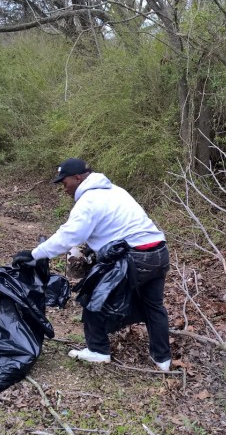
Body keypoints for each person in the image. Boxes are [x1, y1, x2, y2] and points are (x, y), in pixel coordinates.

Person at [12, 158, 172, 371]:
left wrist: (35, 254)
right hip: (159, 252)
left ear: (77, 177)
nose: (63, 187)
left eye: (64, 181)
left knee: (93, 297)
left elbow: (68, 236)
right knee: (154, 306)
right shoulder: (116, 190)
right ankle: (163, 360)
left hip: (133, 258)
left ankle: (98, 350)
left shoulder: (89, 201)